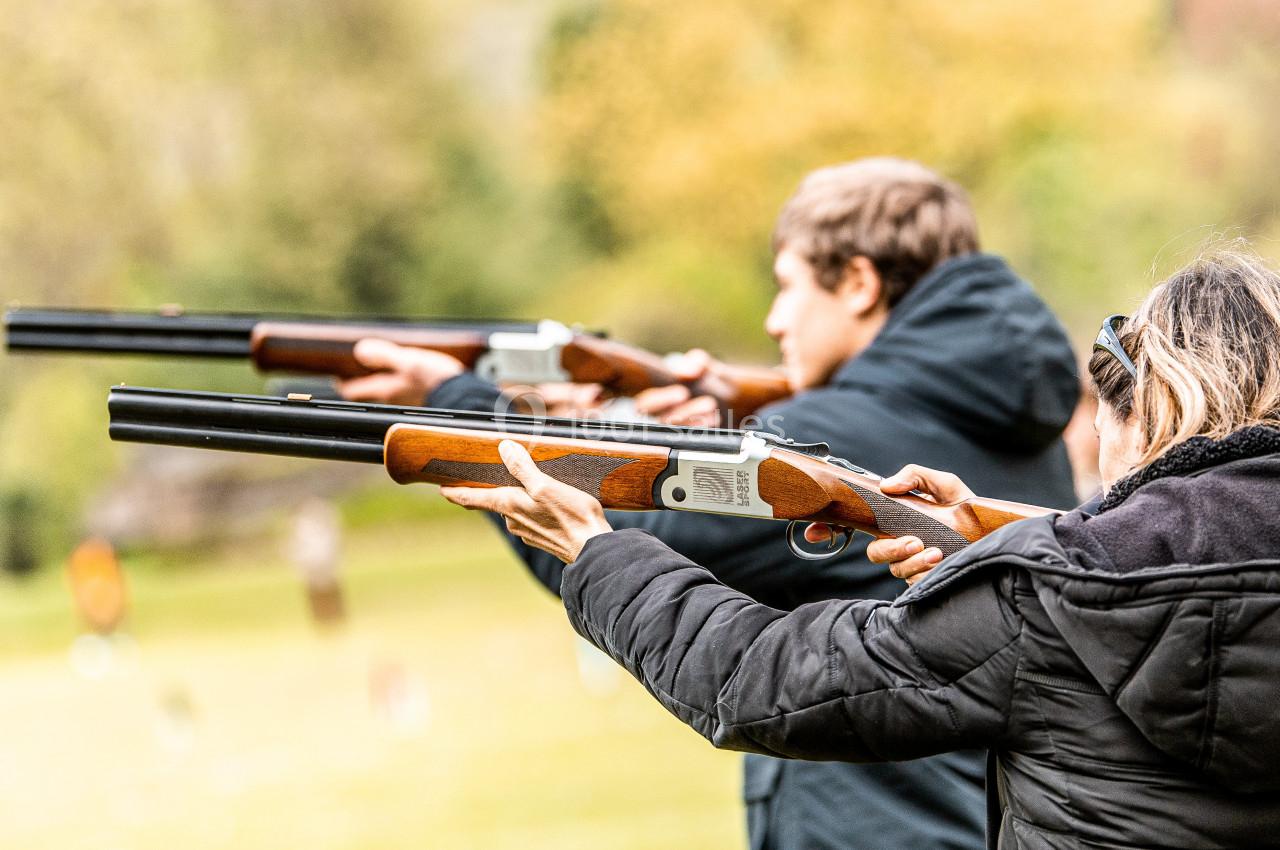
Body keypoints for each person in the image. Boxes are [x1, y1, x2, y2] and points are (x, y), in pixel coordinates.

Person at [340, 158, 1081, 849]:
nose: (774, 320)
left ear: (858, 283)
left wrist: (458, 402)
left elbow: (610, 541)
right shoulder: (1017, 421)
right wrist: (694, 428)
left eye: (787, 286)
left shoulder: (834, 432)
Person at [440, 246, 1280, 849]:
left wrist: (596, 552)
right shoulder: (1046, 578)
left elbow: (759, 680)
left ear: (1148, 412)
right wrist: (1000, 541)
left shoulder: (1041, 602)